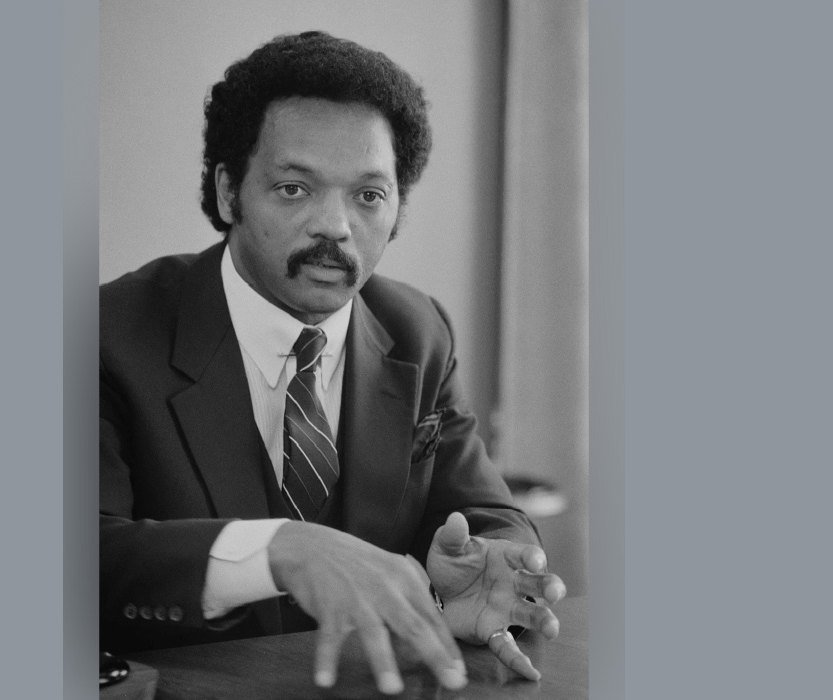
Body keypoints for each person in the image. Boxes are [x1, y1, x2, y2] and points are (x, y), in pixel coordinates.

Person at [100, 31, 567, 695]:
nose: (336, 226)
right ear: (230, 191)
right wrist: (279, 549)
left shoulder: (417, 329)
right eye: (295, 188)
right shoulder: (110, 332)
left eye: (368, 195)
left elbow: (486, 512)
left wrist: (483, 573)